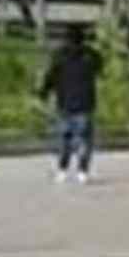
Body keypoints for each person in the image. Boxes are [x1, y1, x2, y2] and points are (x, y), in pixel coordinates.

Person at [40, 24, 103, 184]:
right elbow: (100, 69)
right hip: (85, 103)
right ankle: (83, 171)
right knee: (84, 139)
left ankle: (62, 170)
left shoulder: (60, 56)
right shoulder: (91, 55)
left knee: (64, 139)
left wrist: (44, 92)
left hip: (65, 103)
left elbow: (51, 76)